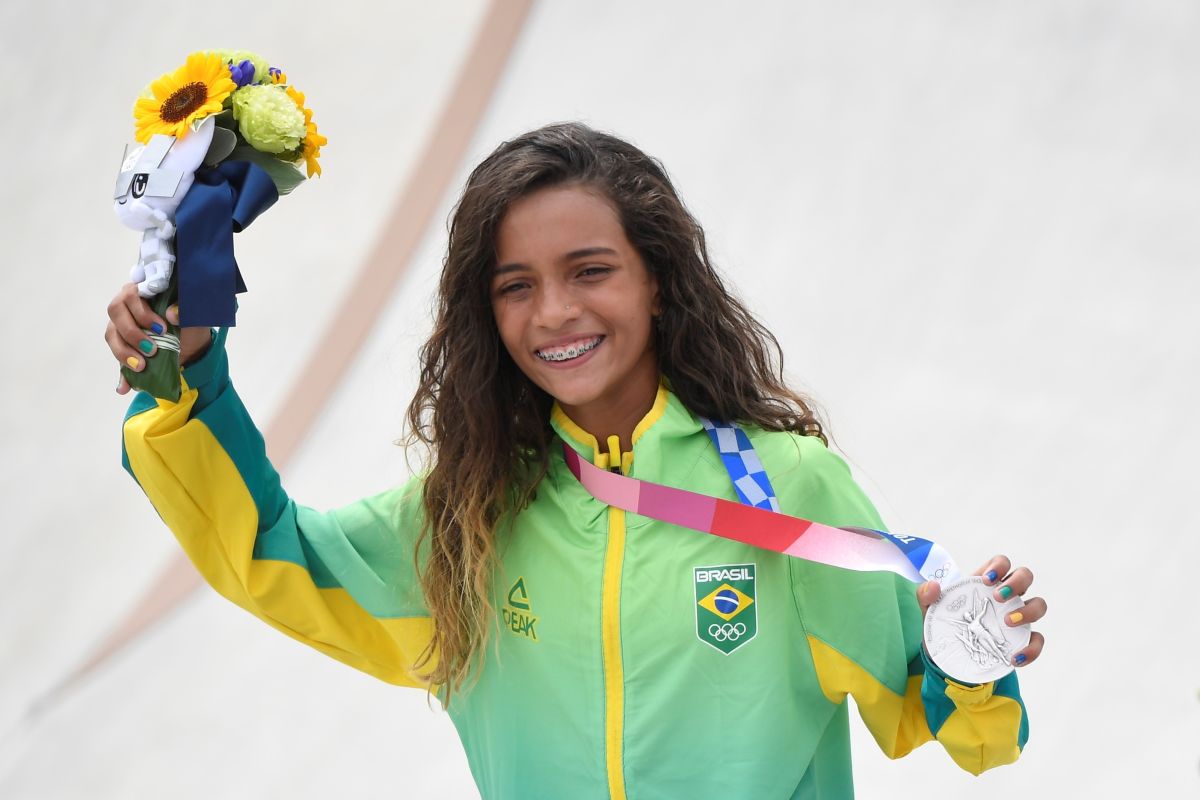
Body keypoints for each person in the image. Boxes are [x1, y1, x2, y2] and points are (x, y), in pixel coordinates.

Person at [106, 122, 1047, 798]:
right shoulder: (470, 515)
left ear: (660, 283)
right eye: (516, 287)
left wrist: (972, 660)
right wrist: (182, 374)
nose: (554, 311)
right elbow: (272, 554)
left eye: (590, 271)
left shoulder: (781, 488)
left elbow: (952, 729)